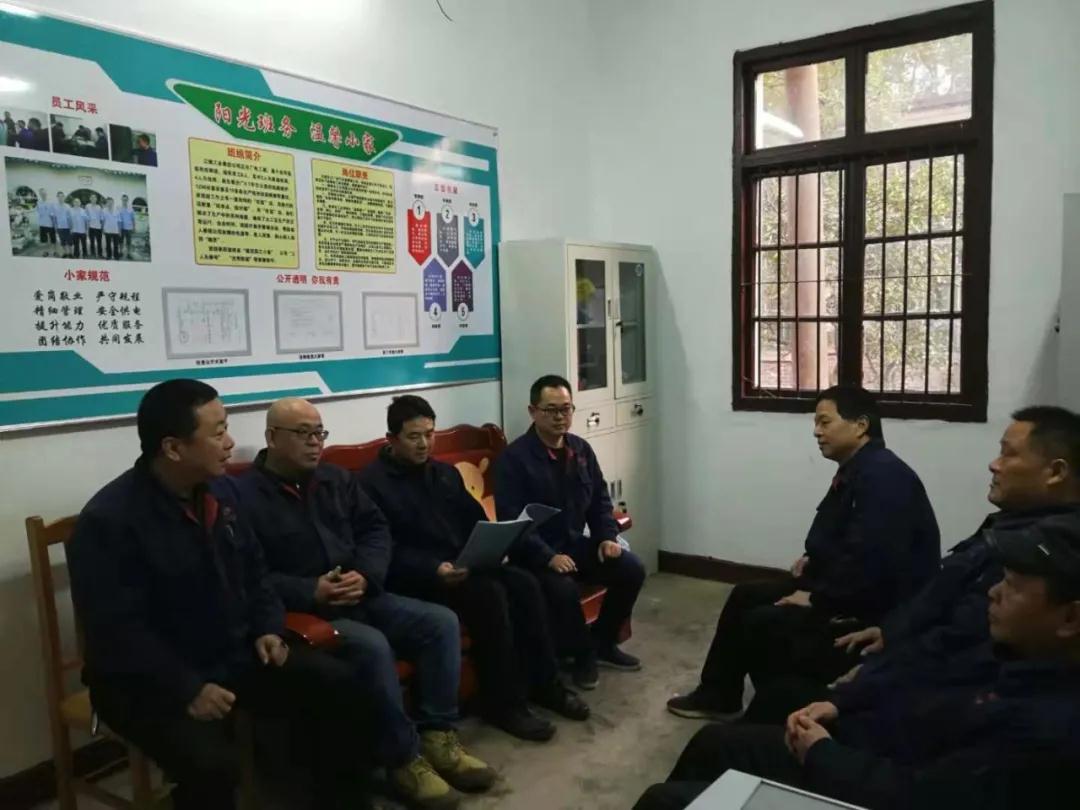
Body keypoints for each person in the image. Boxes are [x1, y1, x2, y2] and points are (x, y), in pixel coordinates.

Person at [632, 510, 1080, 810]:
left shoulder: (1046, 728)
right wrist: (847, 699)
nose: (993, 592)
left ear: (1069, 618)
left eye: (1014, 587)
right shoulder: (1018, 655)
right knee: (728, 731)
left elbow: (919, 795)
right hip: (882, 731)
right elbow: (924, 667)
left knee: (667, 798)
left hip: (876, 769)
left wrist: (823, 752)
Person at [67, 380, 376, 810]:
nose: (230, 443)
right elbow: (117, 633)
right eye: (218, 433)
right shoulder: (110, 521)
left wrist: (268, 628)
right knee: (212, 767)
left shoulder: (221, 494)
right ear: (174, 448)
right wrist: (187, 689)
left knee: (340, 685)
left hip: (228, 653)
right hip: (146, 681)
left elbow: (256, 572)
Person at [742, 405, 1080, 726]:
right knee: (760, 620)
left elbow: (961, 642)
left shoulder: (1041, 550)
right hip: (897, 633)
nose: (994, 464)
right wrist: (890, 632)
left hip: (915, 674)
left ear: (1055, 472)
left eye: (1009, 454)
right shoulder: (1012, 524)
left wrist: (869, 672)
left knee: (777, 668)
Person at [236, 397, 494, 810]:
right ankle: (402, 759)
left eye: (319, 433)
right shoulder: (242, 496)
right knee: (373, 645)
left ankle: (438, 734)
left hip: (363, 593)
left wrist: (365, 573)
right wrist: (310, 590)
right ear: (271, 437)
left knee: (440, 622)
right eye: (302, 433)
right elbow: (250, 573)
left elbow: (376, 530)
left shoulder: (336, 479)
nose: (315, 442)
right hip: (308, 613)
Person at [667, 386, 940, 722]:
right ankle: (719, 695)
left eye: (825, 422)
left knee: (763, 621)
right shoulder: (859, 469)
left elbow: (873, 565)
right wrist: (814, 561)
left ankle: (778, 714)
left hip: (873, 613)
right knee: (745, 595)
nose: (816, 432)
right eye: (816, 423)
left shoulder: (884, 478)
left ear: (860, 426)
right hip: (843, 586)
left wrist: (816, 598)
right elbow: (846, 540)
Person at [358, 395, 590, 743]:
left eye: (429, 434)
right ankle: (503, 704)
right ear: (391, 439)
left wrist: (497, 543)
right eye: (414, 436)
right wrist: (433, 569)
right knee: (489, 595)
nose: (424, 444)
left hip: (465, 563)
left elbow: (475, 518)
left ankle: (546, 684)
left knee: (525, 583)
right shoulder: (371, 484)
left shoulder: (443, 473)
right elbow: (382, 547)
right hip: (418, 579)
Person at [496, 374, 646, 690]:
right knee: (562, 589)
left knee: (631, 568)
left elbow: (600, 500)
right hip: (533, 554)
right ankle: (582, 657)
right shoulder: (514, 459)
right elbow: (511, 520)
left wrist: (606, 537)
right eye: (550, 410)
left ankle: (603, 642)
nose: (560, 417)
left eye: (565, 409)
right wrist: (548, 557)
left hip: (574, 544)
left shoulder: (580, 450)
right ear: (532, 411)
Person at [35, 188, 56, 254]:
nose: (43, 194)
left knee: (53, 239)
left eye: (44, 193)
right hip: (42, 224)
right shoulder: (38, 202)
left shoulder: (51, 202)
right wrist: (39, 223)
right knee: (44, 239)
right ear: (40, 194)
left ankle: (54, 251)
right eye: (41, 193)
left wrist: (54, 223)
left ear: (46, 193)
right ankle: (46, 251)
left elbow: (53, 213)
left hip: (50, 223)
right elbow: (38, 212)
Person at [53, 191, 72, 258]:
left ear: (64, 197)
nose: (61, 198)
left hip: (67, 227)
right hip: (59, 227)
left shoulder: (67, 206)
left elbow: (70, 217)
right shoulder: (55, 206)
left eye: (62, 196)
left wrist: (71, 226)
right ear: (57, 197)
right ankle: (65, 253)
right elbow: (54, 217)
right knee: (62, 241)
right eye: (59, 196)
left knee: (69, 241)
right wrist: (55, 226)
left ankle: (70, 253)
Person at [86, 193, 104, 258]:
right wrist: (87, 228)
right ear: (90, 199)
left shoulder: (99, 207)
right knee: (92, 241)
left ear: (96, 199)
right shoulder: (87, 206)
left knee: (99, 242)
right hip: (91, 227)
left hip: (98, 227)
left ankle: (100, 254)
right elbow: (86, 217)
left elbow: (101, 218)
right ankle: (93, 254)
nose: (93, 199)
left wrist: (102, 227)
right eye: (92, 198)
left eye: (94, 198)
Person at [119, 193, 135, 259]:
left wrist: (134, 227)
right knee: (121, 241)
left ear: (127, 200)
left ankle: (129, 254)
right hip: (121, 228)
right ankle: (121, 252)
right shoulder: (119, 208)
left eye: (125, 200)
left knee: (129, 242)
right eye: (123, 200)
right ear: (121, 200)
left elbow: (133, 219)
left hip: (129, 228)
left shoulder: (131, 209)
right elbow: (118, 219)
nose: (124, 201)